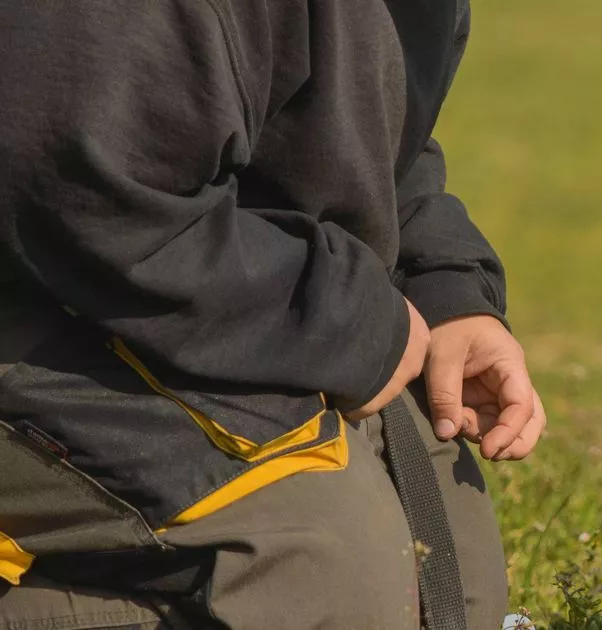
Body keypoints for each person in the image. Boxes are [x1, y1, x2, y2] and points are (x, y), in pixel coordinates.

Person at [0, 0, 545, 628]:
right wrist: (349, 320)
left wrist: (442, 286)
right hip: (45, 285)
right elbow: (72, 178)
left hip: (175, 284)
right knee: (323, 571)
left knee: (447, 589)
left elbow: (367, 136)